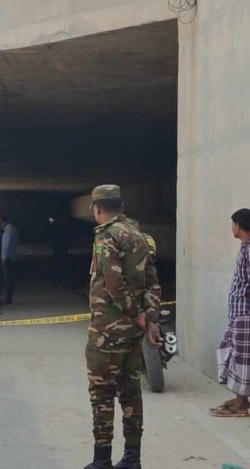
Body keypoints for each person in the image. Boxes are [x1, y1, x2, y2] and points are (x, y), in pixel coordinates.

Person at [84, 185, 162, 469]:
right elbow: (153, 279)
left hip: (108, 331)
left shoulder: (106, 236)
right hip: (133, 333)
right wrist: (149, 318)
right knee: (131, 393)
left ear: (98, 208)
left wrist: (136, 314)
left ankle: (101, 460)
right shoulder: (139, 234)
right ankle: (132, 459)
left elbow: (113, 285)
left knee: (101, 393)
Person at [211, 208, 250, 418]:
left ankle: (242, 404)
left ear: (240, 226)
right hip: (239, 313)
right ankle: (240, 398)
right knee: (233, 353)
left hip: (246, 313)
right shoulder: (245, 247)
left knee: (242, 358)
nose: (231, 228)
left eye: (233, 224)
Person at [0, 214, 19, 304]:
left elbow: (5, 246)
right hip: (12, 256)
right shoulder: (13, 229)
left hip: (7, 258)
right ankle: (9, 297)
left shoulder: (8, 231)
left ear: (3, 222)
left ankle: (8, 298)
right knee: (10, 279)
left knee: (7, 279)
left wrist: (3, 258)